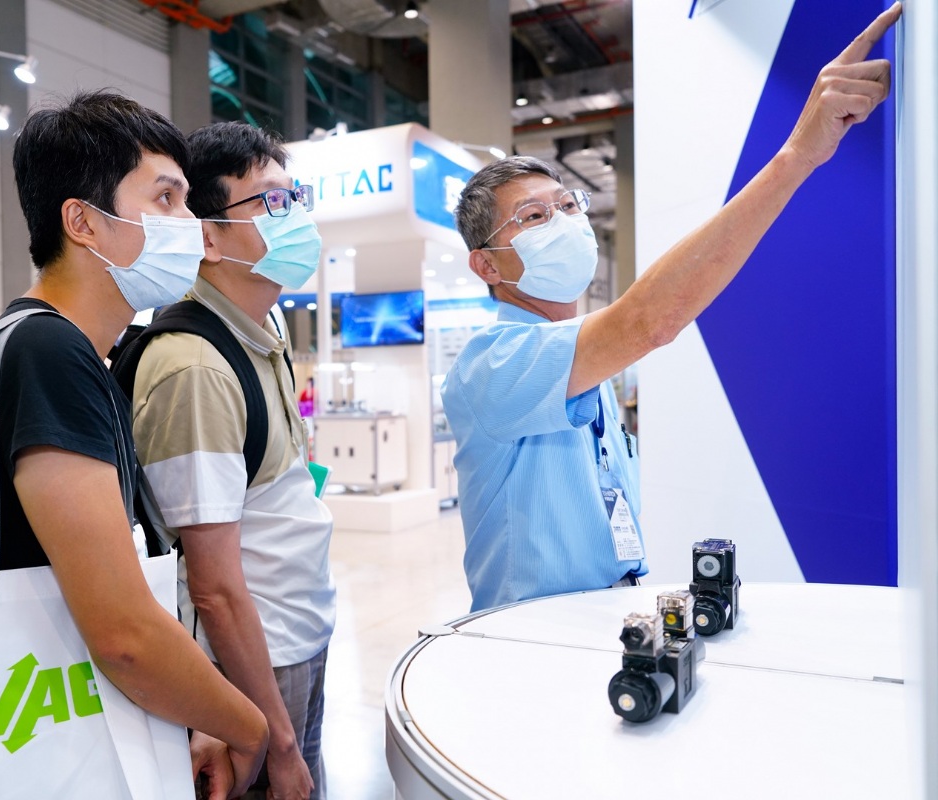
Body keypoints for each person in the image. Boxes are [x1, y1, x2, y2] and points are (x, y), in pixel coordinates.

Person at [443, 5, 901, 612]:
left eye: (567, 205)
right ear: (487, 266)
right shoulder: (491, 364)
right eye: (533, 217)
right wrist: (797, 155)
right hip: (528, 635)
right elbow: (650, 320)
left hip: (604, 617)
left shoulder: (583, 359)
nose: (563, 222)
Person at [0, 92, 268, 797]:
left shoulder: (52, 348)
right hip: (25, 732)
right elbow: (123, 634)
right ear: (82, 221)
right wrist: (252, 726)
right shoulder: (49, 354)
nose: (190, 223)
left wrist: (191, 709)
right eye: (167, 198)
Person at [130, 121, 335, 800]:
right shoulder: (196, 367)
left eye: (295, 197)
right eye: (271, 201)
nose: (294, 215)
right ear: (208, 238)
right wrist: (276, 741)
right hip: (252, 670)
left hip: (298, 637)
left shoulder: (261, 331)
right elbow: (213, 589)